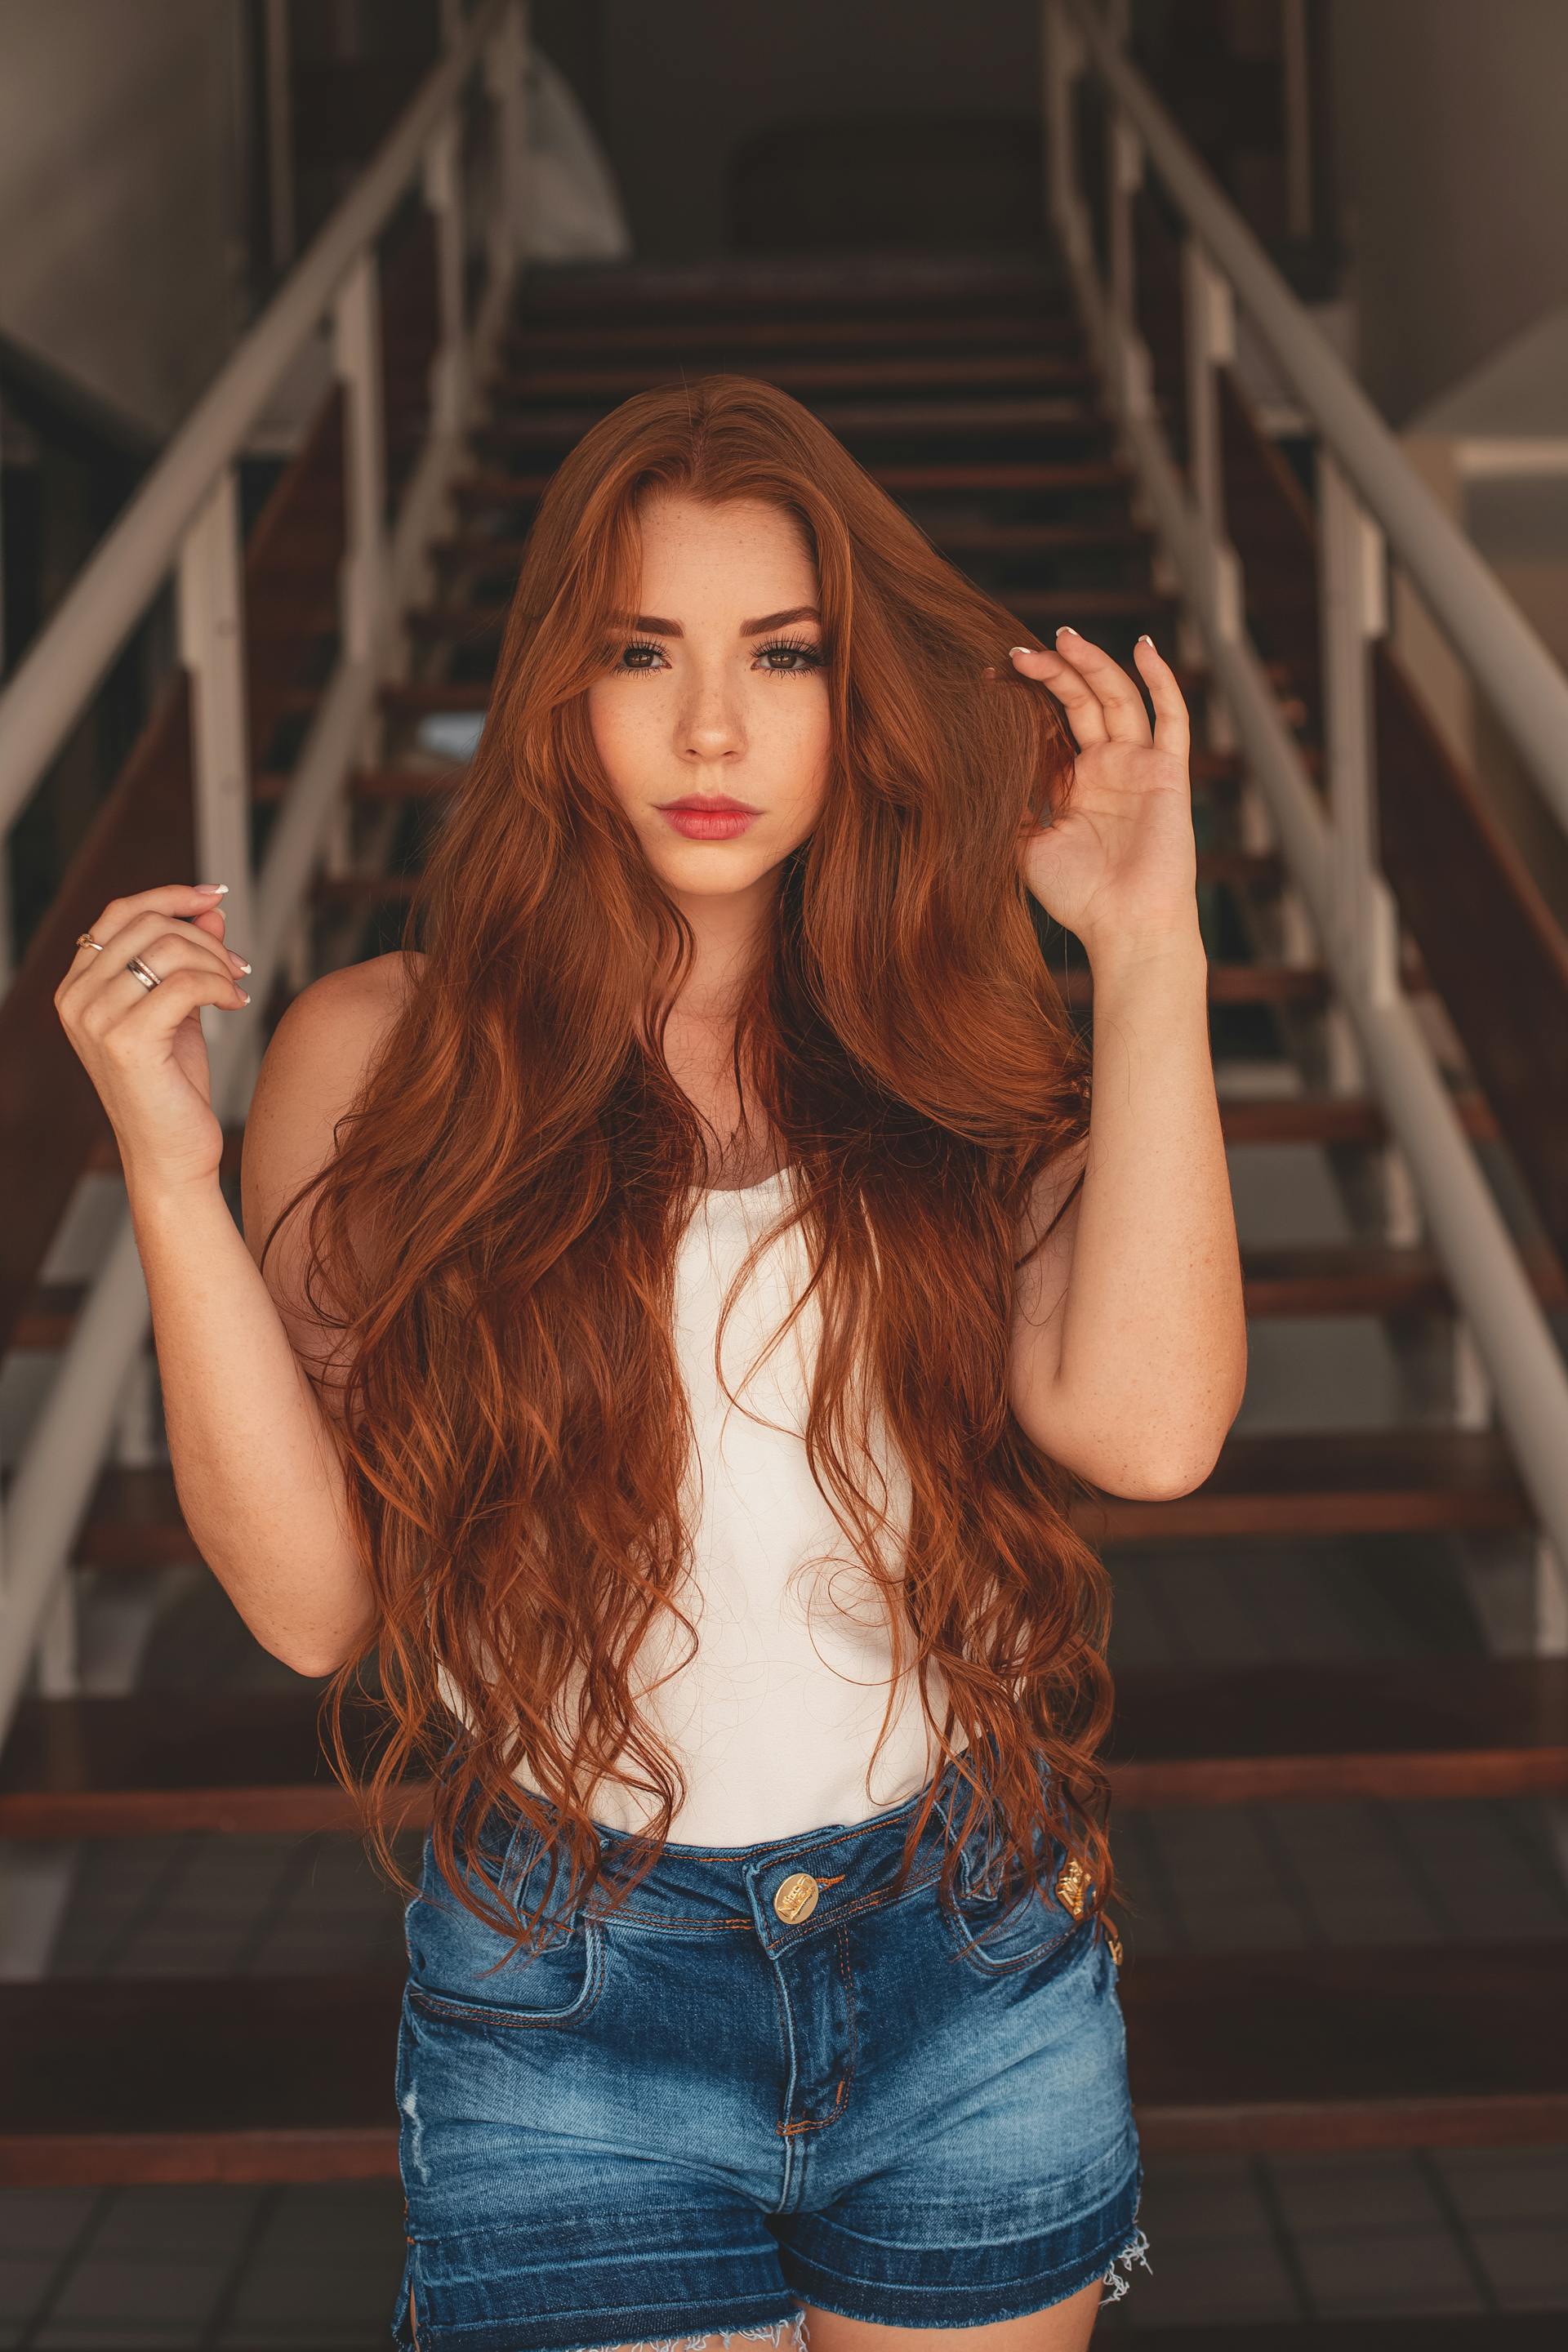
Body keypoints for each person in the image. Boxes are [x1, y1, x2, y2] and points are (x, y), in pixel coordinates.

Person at [56, 374, 1246, 2352]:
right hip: (571, 1984)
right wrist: (174, 1181)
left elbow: (1150, 1425)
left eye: (781, 656)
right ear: (561, 694)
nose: (712, 727)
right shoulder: (389, 1053)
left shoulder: (940, 1040)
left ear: (851, 699)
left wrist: (1147, 941)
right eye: (645, 651)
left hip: (960, 1951)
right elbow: (311, 1608)